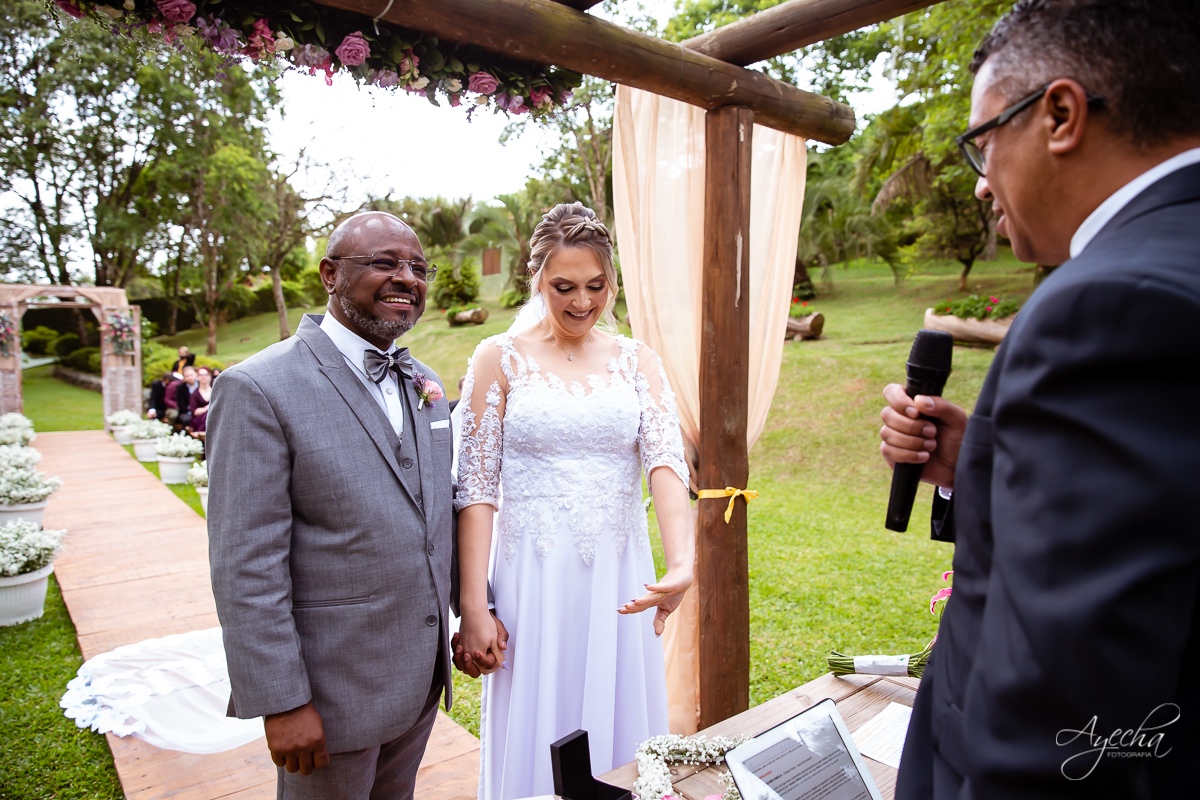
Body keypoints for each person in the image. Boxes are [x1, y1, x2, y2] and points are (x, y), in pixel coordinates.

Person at [878, 2, 1200, 797]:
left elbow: (1067, 709)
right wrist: (977, 462)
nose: (984, 185)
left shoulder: (1113, 303)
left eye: (983, 143)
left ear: (1060, 114)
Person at [207, 210, 503, 800]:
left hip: (417, 684)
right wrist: (282, 701)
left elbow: (433, 514)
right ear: (329, 275)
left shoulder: (422, 381)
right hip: (327, 695)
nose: (406, 277)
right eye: (384, 262)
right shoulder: (259, 387)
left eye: (418, 267)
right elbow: (246, 565)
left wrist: (474, 608)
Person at [455, 203, 695, 800]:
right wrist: (473, 606)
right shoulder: (498, 358)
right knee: (542, 715)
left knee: (620, 719)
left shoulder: (637, 361)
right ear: (536, 279)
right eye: (564, 287)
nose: (582, 302)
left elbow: (665, 461)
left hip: (619, 573)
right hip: (531, 577)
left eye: (596, 286)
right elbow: (477, 489)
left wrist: (683, 563)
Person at [188, 367, 213, 433]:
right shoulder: (195, 394)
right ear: (197, 377)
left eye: (205, 375)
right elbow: (195, 412)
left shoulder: (215, 391)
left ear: (210, 376)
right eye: (201, 375)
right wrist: (207, 408)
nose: (203, 377)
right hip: (200, 420)